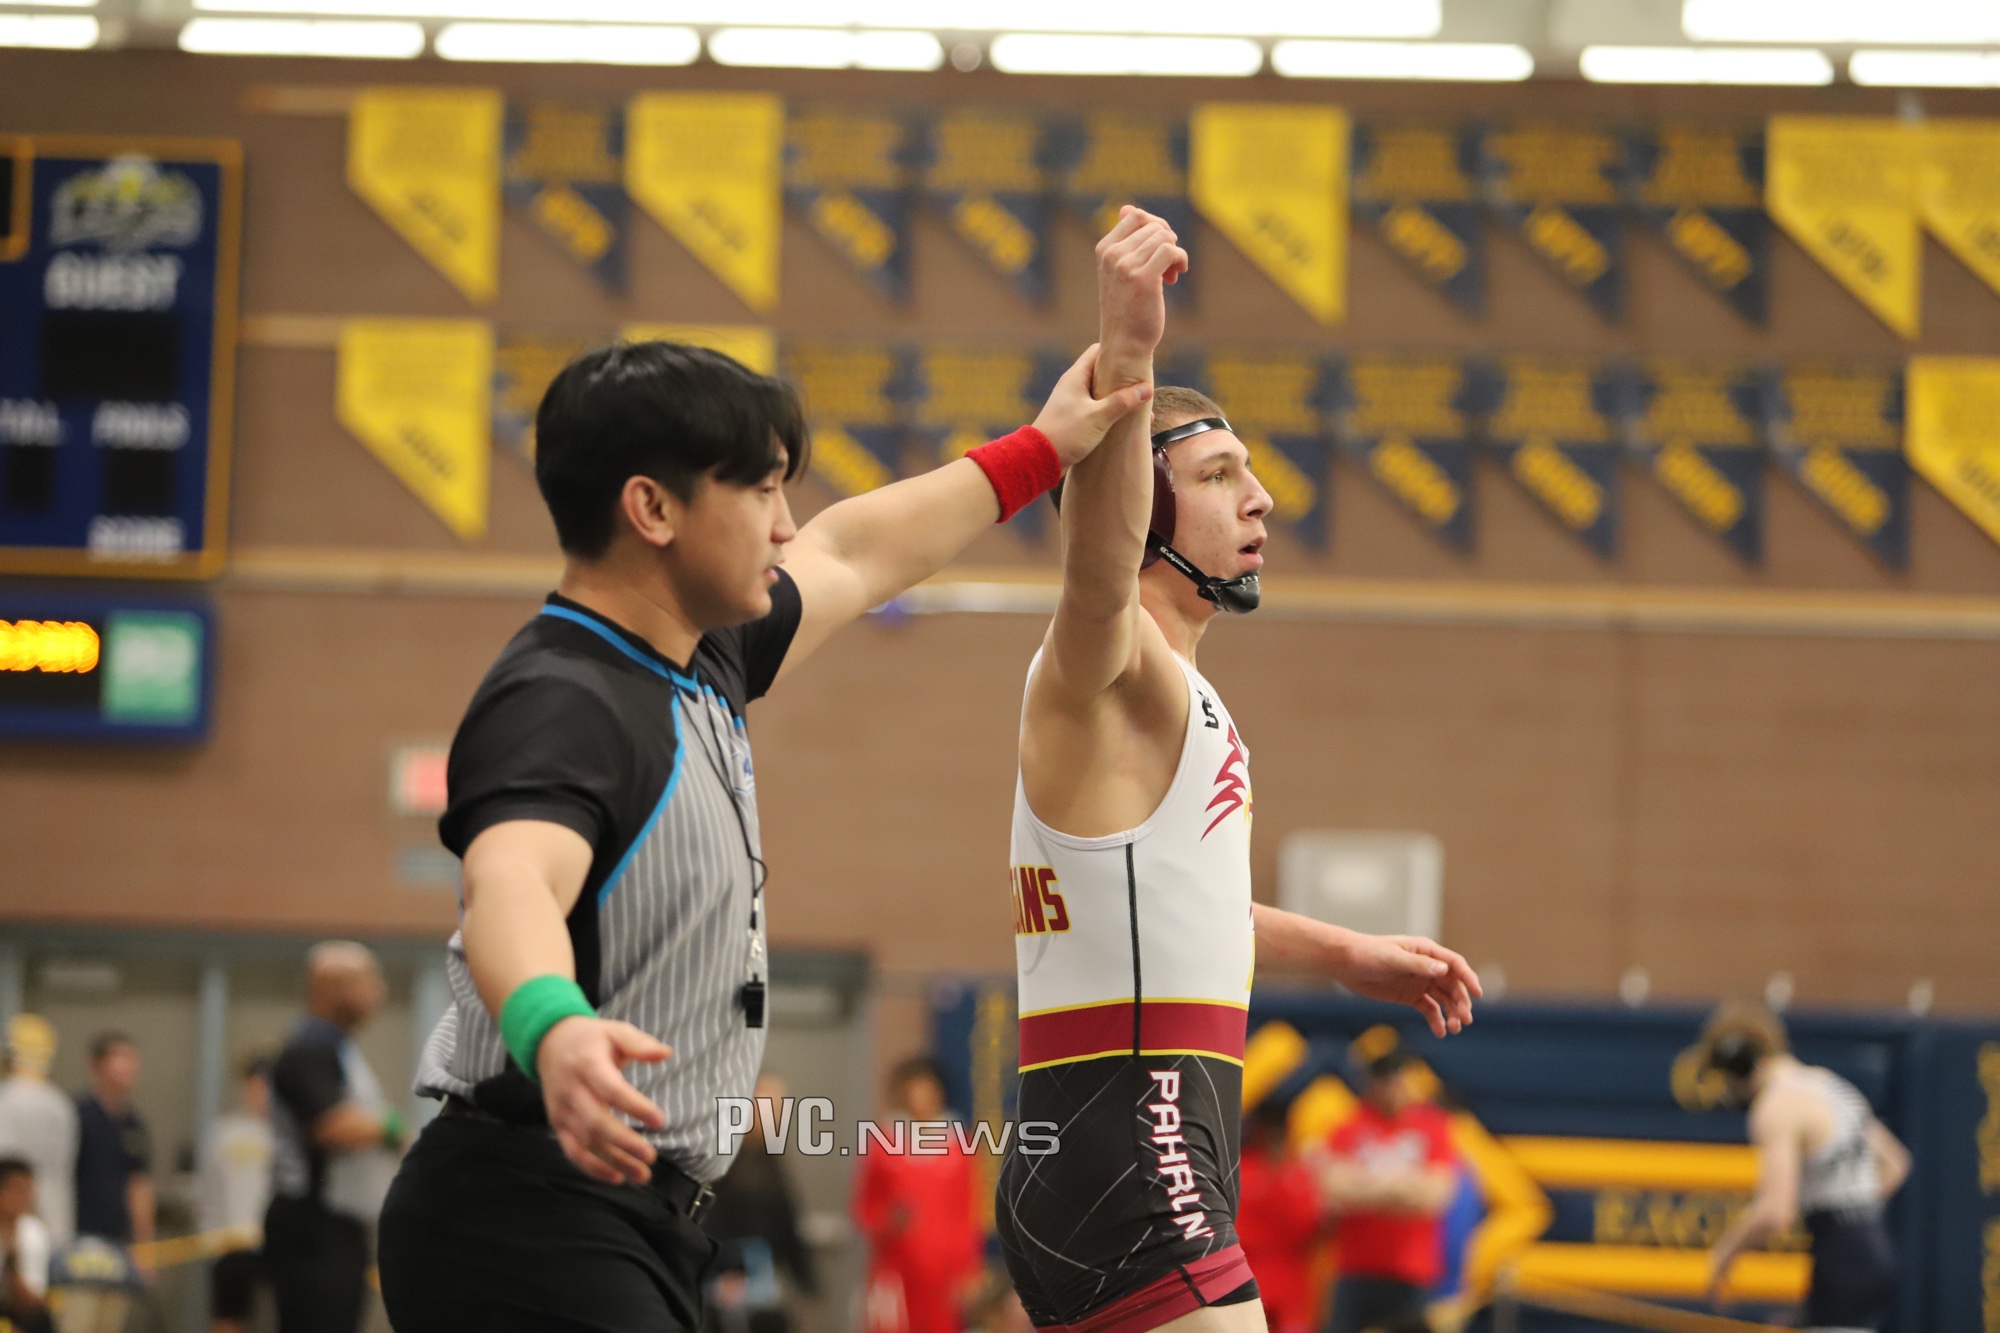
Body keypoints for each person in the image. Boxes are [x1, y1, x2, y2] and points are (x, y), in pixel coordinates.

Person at [376, 260, 1154, 1333]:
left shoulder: (704, 653)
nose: (786, 525)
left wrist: (1044, 448)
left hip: (622, 1217)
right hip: (522, 1217)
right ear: (652, 508)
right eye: (759, 491)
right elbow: (509, 882)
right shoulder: (561, 698)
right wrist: (553, 1027)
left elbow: (857, 550)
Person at [996, 205, 1480, 1333]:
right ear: (1139, 508)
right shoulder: (1108, 660)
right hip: (1139, 1151)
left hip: (1125, 1148)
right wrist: (1127, 350)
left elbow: (1179, 900)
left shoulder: (1167, 695)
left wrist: (1344, 952)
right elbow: (1094, 570)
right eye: (1218, 475)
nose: (1260, 498)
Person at [1698, 1004, 1909, 1332]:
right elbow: (1895, 1164)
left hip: (1840, 1259)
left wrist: (1725, 1254)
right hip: (1873, 1253)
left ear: (1739, 1065)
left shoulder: (1775, 1106)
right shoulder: (1828, 1084)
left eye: (1726, 1078)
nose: (1727, 1091)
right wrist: (1854, 1205)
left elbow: (1774, 1212)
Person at [266, 942, 401, 1333]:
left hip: (335, 1226)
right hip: (313, 1227)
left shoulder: (337, 1048)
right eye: (370, 982)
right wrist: (391, 1127)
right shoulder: (309, 1049)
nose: (379, 993)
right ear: (334, 987)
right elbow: (331, 1125)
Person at [1313, 1051, 1458, 1333]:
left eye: (1396, 1080)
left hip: (1411, 1269)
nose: (1391, 1089)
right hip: (1355, 1267)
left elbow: (1436, 1195)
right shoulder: (1349, 1125)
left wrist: (1367, 1186)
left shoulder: (1432, 1127)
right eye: (1383, 1081)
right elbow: (1334, 1188)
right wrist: (1404, 1188)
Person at [853, 1057, 984, 1333]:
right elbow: (865, 1208)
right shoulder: (884, 1144)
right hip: (895, 1269)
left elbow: (969, 1211)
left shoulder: (959, 1146)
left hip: (943, 1275)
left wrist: (970, 1268)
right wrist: (888, 1219)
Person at [704, 1073, 818, 1333]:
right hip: (722, 1284)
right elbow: (711, 1219)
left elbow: (786, 1220)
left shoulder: (771, 1159)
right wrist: (724, 1271)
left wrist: (807, 1280)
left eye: (778, 1108)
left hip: (763, 1283)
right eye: (767, 1106)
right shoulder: (720, 1157)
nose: (774, 1116)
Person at [197, 1055, 274, 1333]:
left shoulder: (288, 1134)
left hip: (277, 1241)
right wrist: (210, 1234)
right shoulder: (224, 1132)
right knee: (229, 1314)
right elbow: (207, 1187)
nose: (260, 1094)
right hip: (232, 1241)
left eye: (266, 1087)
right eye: (254, 1086)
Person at [1233, 1101, 1322, 1333]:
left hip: (1289, 1276)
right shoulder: (1242, 1173)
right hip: (1249, 1273)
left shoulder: (1301, 1174)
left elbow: (1314, 1227)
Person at [72, 1033, 152, 1268]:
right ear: (96, 1065)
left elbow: (138, 1185)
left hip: (119, 1241)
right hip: (79, 1238)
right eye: (119, 1057)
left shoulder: (134, 1124)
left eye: (131, 1059)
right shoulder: (77, 1116)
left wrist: (145, 1246)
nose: (128, 1067)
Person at [0, 1016, 77, 1247]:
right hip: (56, 1222)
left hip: (14, 1227)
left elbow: (8, 1166)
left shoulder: (6, 1099)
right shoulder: (61, 1105)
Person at [0, 1157, 53, 1333]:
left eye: (27, 1189)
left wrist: (11, 1260)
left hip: (17, 1310)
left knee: (40, 1317)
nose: (23, 1197)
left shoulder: (34, 1232)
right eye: (15, 1189)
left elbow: (33, 1299)